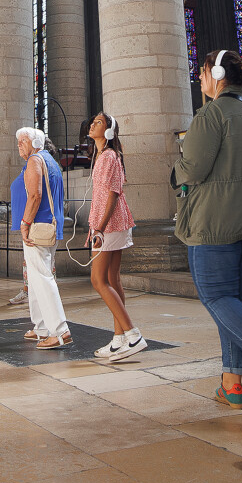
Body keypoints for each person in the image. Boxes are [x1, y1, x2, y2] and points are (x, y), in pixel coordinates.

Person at [175, 50, 242, 410]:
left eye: (203, 72)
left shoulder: (211, 114)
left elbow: (192, 168)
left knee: (216, 297)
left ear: (218, 74)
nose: (201, 79)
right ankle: (231, 383)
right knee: (237, 299)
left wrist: (176, 170)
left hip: (213, 223)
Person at [84, 112, 145, 360]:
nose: (92, 124)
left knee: (98, 280)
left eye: (98, 122)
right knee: (112, 277)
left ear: (109, 131)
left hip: (110, 224)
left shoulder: (109, 156)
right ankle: (119, 338)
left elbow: (112, 194)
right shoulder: (102, 156)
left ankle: (133, 335)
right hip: (109, 224)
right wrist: (93, 226)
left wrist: (99, 227)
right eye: (93, 121)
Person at [15, 127, 71, 348]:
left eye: (23, 140)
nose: (19, 144)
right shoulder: (51, 161)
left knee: (42, 278)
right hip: (50, 226)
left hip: (38, 226)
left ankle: (59, 331)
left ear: (35, 142)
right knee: (37, 277)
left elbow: (35, 195)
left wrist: (25, 223)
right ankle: (41, 327)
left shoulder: (35, 160)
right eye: (18, 141)